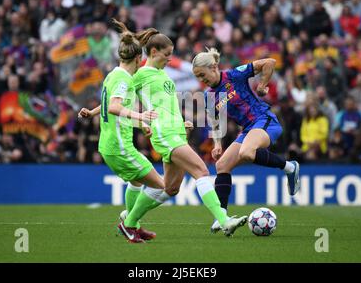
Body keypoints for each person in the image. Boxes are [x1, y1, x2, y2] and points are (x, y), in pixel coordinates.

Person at [128, 31, 248, 238]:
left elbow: (165, 105)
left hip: (176, 133)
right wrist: (141, 121)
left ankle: (129, 221)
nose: (169, 58)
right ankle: (224, 220)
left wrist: (181, 122)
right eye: (167, 54)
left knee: (171, 188)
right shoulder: (139, 75)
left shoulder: (162, 74)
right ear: (154, 51)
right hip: (164, 134)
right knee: (201, 170)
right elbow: (119, 103)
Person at [78, 19, 170, 243]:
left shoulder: (113, 74)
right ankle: (129, 222)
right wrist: (141, 116)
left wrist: (91, 112)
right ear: (139, 58)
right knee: (165, 187)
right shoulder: (124, 79)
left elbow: (110, 105)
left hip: (111, 145)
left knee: (137, 183)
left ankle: (133, 225)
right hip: (119, 147)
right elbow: (114, 107)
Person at [192, 48, 300, 233]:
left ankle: (290, 167)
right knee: (222, 165)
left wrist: (262, 85)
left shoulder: (234, 75)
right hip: (248, 130)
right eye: (198, 77)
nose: (202, 79)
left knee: (246, 152)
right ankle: (223, 217)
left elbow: (269, 62)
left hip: (264, 120)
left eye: (202, 74)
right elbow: (215, 121)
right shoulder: (208, 96)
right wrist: (217, 144)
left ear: (214, 67)